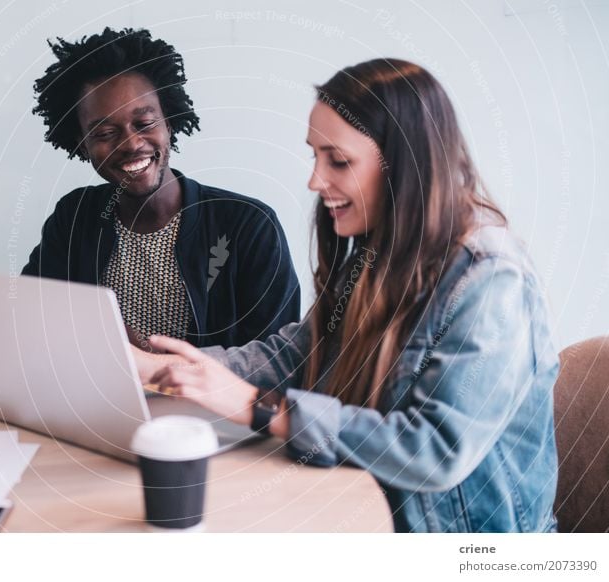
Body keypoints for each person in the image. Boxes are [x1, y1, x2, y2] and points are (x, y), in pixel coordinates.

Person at [134, 59, 560, 533]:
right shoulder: (380, 253)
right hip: (357, 509)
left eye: (338, 160)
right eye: (315, 156)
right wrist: (160, 369)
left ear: (406, 164)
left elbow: (435, 451)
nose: (316, 180)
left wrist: (260, 407)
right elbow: (296, 353)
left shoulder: (491, 282)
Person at [23, 27, 300, 348]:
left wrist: (162, 370)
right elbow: (31, 321)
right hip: (95, 396)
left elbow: (276, 361)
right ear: (82, 145)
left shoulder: (249, 224)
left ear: (169, 121)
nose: (131, 143)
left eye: (144, 124)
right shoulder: (74, 217)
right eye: (104, 133)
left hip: (208, 399)